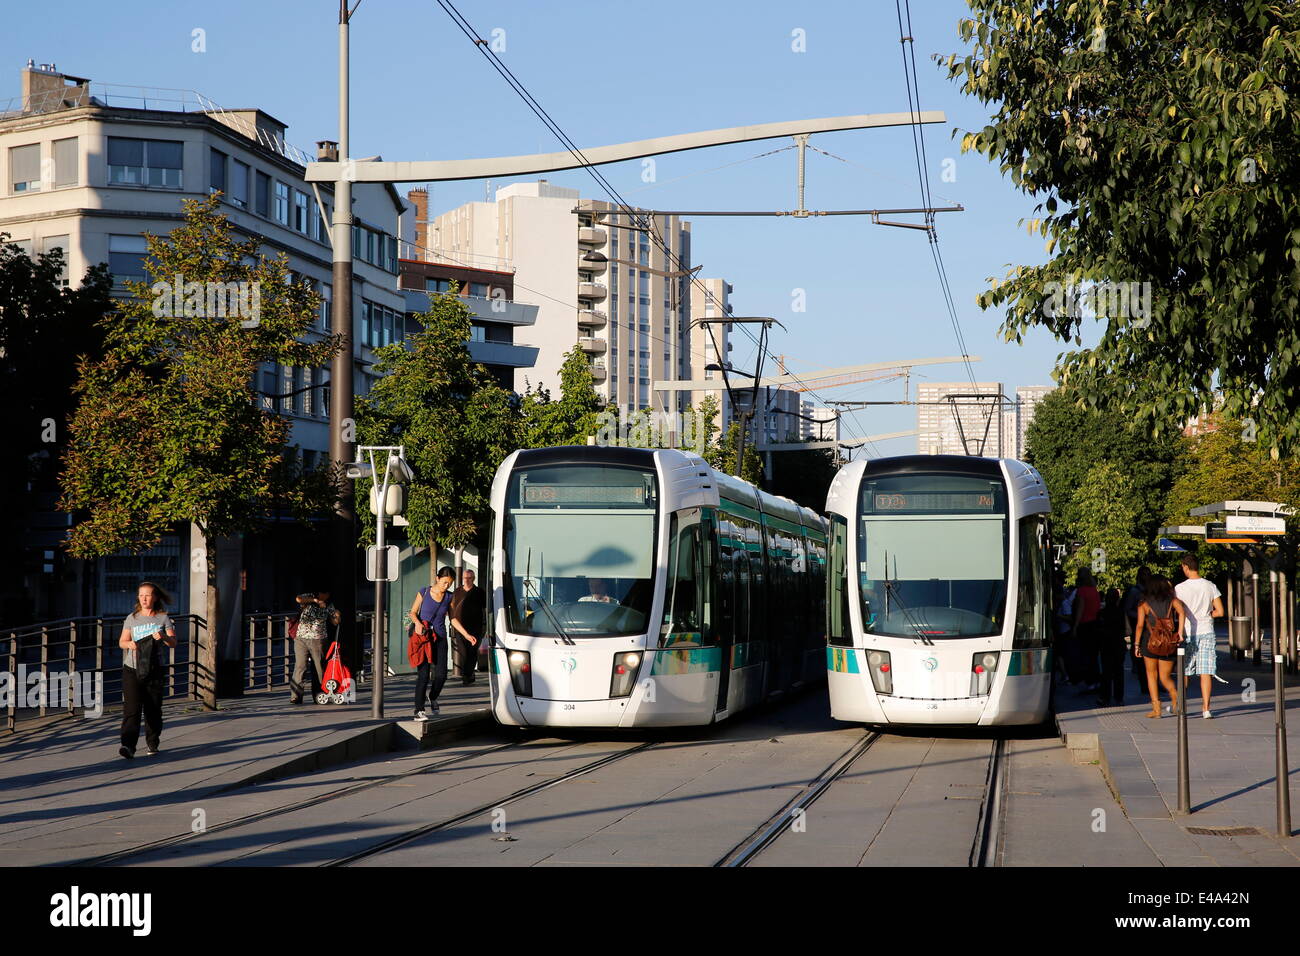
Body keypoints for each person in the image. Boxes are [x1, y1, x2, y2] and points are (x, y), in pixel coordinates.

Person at [117, 582, 177, 759]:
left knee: (153, 709)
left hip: (154, 669)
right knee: (132, 709)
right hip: (132, 669)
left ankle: (152, 742)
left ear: (155, 597)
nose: (143, 598)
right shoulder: (132, 618)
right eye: (141, 595)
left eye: (148, 595)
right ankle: (128, 746)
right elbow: (122, 642)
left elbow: (173, 643)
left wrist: (164, 636)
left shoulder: (163, 618)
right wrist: (129, 644)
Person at [1175, 554, 1225, 718]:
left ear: (1186, 567)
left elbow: (1177, 611)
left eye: (1182, 567)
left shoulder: (1179, 588)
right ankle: (1206, 709)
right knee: (1206, 672)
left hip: (1188, 632)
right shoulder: (1210, 586)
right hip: (1207, 631)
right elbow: (1220, 611)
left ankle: (1181, 706)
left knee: (1186, 672)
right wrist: (1208, 613)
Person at [1135, 574, 1188, 718]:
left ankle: (1156, 709)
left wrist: (1136, 644)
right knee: (1165, 677)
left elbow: (1140, 625)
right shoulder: (1173, 600)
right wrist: (1180, 632)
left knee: (1151, 675)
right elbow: (1182, 613)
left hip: (1150, 642)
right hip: (1169, 642)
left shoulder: (1143, 603)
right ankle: (1176, 699)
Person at [409, 567, 455, 720]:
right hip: (424, 638)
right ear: (437, 578)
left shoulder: (449, 597)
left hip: (440, 638)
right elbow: (413, 612)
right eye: (444, 582)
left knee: (441, 675)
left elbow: (453, 619)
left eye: (449, 583)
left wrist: (467, 635)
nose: (446, 586)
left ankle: (433, 696)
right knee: (423, 675)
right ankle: (419, 710)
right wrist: (417, 623)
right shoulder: (424, 592)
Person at [290, 590, 339, 704]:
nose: (325, 595)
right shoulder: (309, 598)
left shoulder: (329, 605)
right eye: (324, 593)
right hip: (301, 638)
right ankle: (296, 696)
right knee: (300, 666)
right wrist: (315, 600)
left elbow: (335, 622)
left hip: (318, 639)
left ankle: (320, 694)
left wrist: (337, 615)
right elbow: (298, 599)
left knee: (319, 667)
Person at [450, 568, 485, 686]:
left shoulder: (480, 592)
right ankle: (468, 674)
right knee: (463, 652)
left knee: (472, 652)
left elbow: (484, 609)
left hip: (476, 627)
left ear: (473, 579)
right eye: (465, 578)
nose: (467, 580)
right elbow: (452, 607)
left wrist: (486, 626)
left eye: (470, 578)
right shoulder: (457, 591)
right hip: (460, 628)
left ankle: (467, 675)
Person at [1071, 567, 1102, 690]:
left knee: (1085, 654)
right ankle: (1096, 679)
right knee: (1093, 655)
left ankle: (1089, 680)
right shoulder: (1094, 590)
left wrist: (1075, 627)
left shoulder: (1081, 592)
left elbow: (1080, 610)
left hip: (1085, 625)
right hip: (1095, 624)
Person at [1096, 586, 1128, 706]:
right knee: (1119, 671)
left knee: (1106, 672)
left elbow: (1097, 629)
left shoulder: (1101, 613)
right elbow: (1126, 630)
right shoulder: (1121, 612)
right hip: (1119, 643)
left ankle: (1105, 697)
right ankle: (1119, 698)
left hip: (1106, 644)